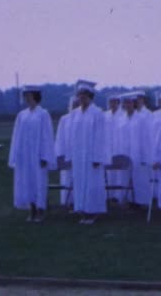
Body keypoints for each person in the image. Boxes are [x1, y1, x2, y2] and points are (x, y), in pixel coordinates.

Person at [8, 85, 56, 222]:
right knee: (27, 182)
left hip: (38, 155)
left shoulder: (43, 114)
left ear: (35, 95)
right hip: (25, 155)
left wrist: (45, 155)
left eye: (28, 95)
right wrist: (16, 154)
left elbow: (47, 136)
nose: (26, 98)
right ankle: (32, 209)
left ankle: (41, 210)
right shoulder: (22, 115)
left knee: (39, 182)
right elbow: (16, 135)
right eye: (25, 95)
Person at [66, 82, 110, 225]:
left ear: (90, 96)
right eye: (80, 95)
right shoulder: (75, 114)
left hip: (92, 157)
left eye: (84, 95)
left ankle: (92, 212)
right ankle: (83, 211)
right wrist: (71, 155)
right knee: (79, 184)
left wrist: (98, 157)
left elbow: (101, 137)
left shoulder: (97, 113)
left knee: (92, 185)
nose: (82, 98)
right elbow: (71, 136)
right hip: (79, 157)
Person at [114, 92, 148, 207]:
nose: (127, 105)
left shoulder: (141, 119)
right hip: (124, 151)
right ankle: (125, 199)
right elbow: (117, 138)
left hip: (137, 152)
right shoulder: (120, 119)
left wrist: (145, 155)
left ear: (134, 104)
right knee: (124, 176)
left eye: (129, 103)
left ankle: (139, 202)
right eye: (125, 103)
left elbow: (146, 138)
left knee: (139, 177)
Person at [54, 96, 80, 208]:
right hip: (67, 154)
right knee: (68, 178)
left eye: (77, 104)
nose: (76, 106)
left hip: (80, 154)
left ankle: (80, 202)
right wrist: (60, 155)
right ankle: (69, 202)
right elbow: (60, 138)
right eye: (74, 104)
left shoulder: (83, 118)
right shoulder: (64, 119)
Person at [104, 94, 125, 203]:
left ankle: (118, 196)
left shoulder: (123, 115)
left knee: (118, 173)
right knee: (109, 172)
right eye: (111, 102)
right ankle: (109, 195)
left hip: (118, 146)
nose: (112, 104)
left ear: (118, 102)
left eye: (114, 102)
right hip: (108, 146)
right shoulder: (105, 115)